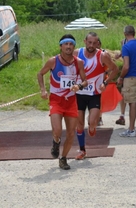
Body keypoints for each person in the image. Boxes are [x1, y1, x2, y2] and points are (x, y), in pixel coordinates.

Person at [37, 34, 88, 170]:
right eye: (66, 44)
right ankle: (56, 141)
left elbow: (85, 80)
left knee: (71, 132)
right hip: (56, 100)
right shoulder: (53, 61)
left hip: (71, 100)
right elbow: (40, 73)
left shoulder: (79, 62)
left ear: (74, 46)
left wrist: (79, 86)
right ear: (61, 46)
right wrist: (43, 90)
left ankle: (63, 158)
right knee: (58, 130)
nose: (68, 46)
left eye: (71, 44)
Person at [73, 32, 119, 160]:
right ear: (85, 41)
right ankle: (82, 150)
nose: (91, 45)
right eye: (89, 42)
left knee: (92, 122)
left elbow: (115, 69)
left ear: (97, 43)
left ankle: (92, 127)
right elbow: (68, 67)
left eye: (94, 43)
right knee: (79, 124)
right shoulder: (77, 54)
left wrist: (105, 82)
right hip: (79, 93)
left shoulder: (102, 56)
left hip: (94, 94)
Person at [114, 36, 128, 125]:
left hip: (129, 72)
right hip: (130, 71)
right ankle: (122, 115)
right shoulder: (124, 42)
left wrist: (121, 77)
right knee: (123, 94)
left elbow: (126, 65)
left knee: (132, 97)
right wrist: (119, 55)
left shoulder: (128, 44)